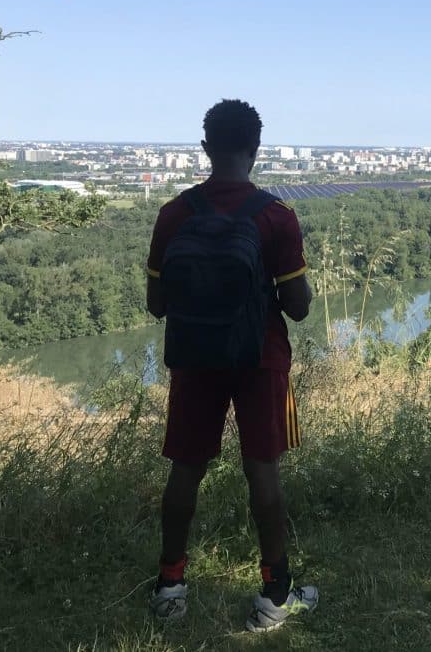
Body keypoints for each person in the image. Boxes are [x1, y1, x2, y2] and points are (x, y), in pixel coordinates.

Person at [145, 99, 319, 631]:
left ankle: (171, 583)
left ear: (205, 148)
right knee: (262, 469)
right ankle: (275, 593)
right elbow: (299, 306)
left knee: (186, 468)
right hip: (259, 360)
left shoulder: (175, 214)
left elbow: (156, 304)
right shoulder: (275, 216)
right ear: (256, 149)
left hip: (195, 360)